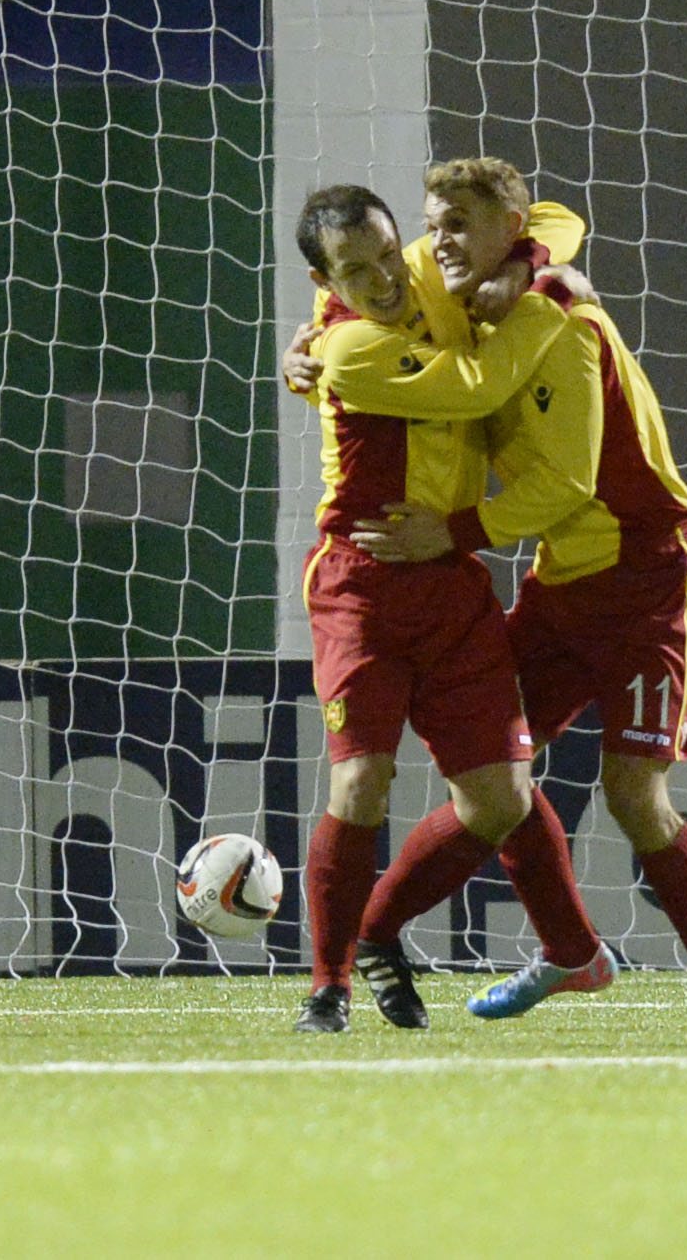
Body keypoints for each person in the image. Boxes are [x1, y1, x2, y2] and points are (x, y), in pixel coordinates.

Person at [324, 159, 687, 1028]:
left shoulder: (562, 322)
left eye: (457, 224)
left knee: (634, 796)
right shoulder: (463, 290)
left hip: (647, 577)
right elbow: (354, 280)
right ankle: (568, 953)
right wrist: (315, 334)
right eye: (432, 221)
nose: (435, 240)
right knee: (496, 765)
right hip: (561, 582)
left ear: (509, 233)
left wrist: (454, 533)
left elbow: (563, 483)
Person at [286, 183, 612, 1033]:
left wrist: (530, 263)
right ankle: (329, 988)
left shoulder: (430, 268)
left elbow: (554, 218)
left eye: (388, 253)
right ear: (325, 285)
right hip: (362, 583)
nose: (384, 278)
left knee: (502, 800)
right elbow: (473, 389)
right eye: (355, 271)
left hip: (451, 579)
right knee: (362, 781)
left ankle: (381, 936)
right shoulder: (348, 345)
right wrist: (544, 302)